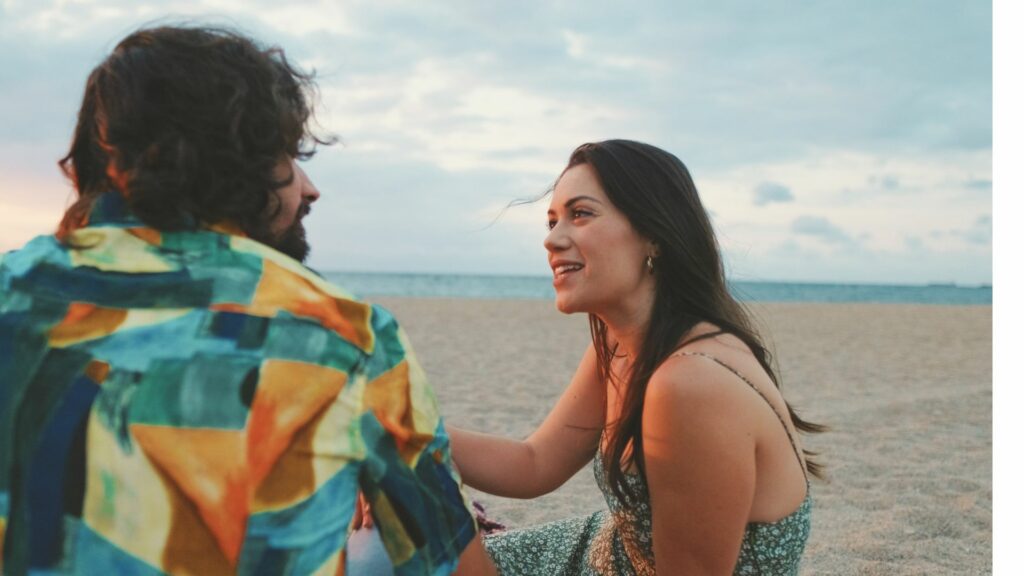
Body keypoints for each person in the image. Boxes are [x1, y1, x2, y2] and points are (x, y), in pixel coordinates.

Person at [0, 25, 494, 576]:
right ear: (245, 159)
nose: (309, 188)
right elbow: (465, 570)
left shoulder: (9, 292)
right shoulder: (345, 332)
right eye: (287, 152)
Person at [449, 140, 825, 575]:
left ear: (654, 234)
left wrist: (425, 495)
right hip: (602, 551)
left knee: (399, 528)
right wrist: (401, 435)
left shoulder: (691, 383)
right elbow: (535, 463)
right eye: (551, 221)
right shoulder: (620, 345)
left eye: (581, 214)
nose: (552, 239)